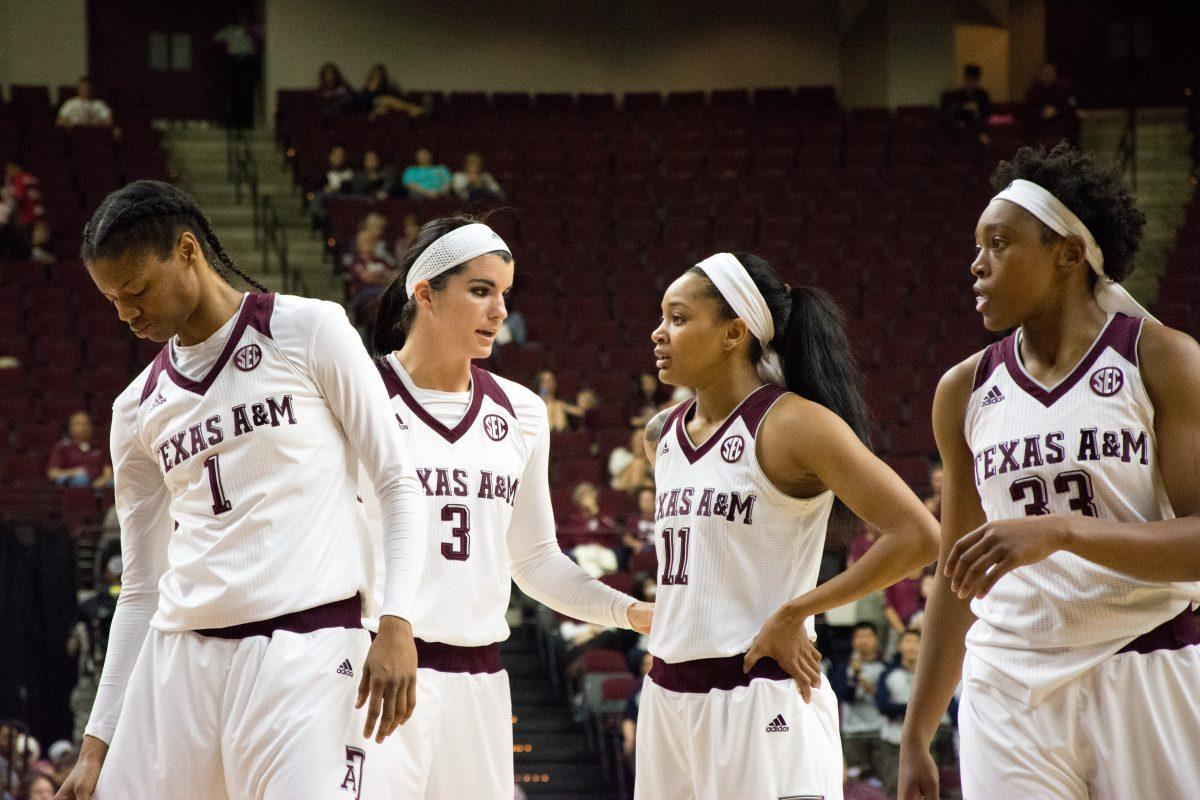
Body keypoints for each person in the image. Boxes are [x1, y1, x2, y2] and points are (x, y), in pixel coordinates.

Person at [55, 180, 426, 800]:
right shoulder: (135, 408)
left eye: (137, 290)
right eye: (113, 300)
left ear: (187, 250)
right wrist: (99, 743)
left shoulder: (310, 330)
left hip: (305, 647)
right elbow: (142, 586)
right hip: (182, 661)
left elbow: (396, 482)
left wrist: (396, 622)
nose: (126, 313)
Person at [898, 144, 1200, 800]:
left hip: (1144, 661)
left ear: (1068, 253)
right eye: (977, 246)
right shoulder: (964, 391)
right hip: (1007, 682)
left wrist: (1065, 533)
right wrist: (917, 732)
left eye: (999, 243)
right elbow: (958, 573)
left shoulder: (1162, 360)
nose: (976, 265)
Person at [361, 214, 652, 798]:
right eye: (480, 291)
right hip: (375, 674)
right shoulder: (359, 395)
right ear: (425, 292)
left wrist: (634, 613)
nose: (500, 311)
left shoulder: (521, 411)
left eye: (505, 295)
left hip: (481, 680)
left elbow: (537, 561)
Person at [636, 251, 939, 799]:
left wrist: (797, 610)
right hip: (668, 695)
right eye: (662, 318)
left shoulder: (793, 424)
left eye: (678, 319)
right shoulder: (662, 435)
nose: (659, 333)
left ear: (734, 333)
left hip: (760, 694)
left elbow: (918, 535)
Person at [831, 622, 888, 784]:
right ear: (853, 641)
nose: (864, 641)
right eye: (859, 636)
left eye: (868, 636)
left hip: (878, 731)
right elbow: (844, 696)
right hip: (853, 732)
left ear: (876, 640)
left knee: (881, 782)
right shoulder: (842, 668)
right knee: (855, 784)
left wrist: (865, 682)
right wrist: (854, 677)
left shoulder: (884, 668)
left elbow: (884, 700)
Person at [876, 629, 922, 796]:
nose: (911, 646)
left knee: (925, 789)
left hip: (925, 740)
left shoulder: (930, 674)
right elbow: (882, 706)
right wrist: (913, 709)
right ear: (899, 646)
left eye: (916, 642)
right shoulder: (888, 674)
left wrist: (901, 708)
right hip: (893, 739)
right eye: (907, 641)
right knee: (892, 787)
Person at [563, 481, 620, 577]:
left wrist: (595, 511)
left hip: (603, 549)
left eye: (589, 494)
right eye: (583, 495)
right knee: (582, 554)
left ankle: (597, 583)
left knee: (607, 563)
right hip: (584, 550)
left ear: (595, 495)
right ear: (577, 499)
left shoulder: (604, 513)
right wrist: (592, 541)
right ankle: (600, 580)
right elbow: (578, 539)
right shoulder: (575, 518)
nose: (587, 498)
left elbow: (610, 532)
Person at [46, 411, 112, 488]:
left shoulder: (98, 446)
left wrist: (101, 481)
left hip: (97, 485)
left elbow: (107, 471)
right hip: (73, 485)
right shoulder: (62, 447)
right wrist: (78, 472)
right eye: (78, 424)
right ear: (70, 428)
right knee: (81, 479)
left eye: (85, 424)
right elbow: (52, 473)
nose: (82, 428)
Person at [940, 64, 990, 140]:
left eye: (974, 80)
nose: (970, 83)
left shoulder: (982, 96)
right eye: (968, 79)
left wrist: (976, 110)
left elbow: (986, 114)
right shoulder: (955, 95)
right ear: (964, 79)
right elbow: (946, 113)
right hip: (957, 127)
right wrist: (962, 108)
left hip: (975, 126)